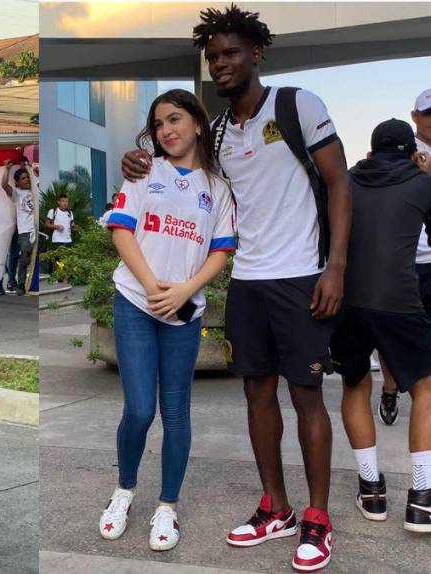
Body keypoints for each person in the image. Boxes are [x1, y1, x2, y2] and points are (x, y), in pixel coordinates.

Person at [121, 6, 351, 571]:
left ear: (256, 54)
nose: (220, 63)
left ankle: (317, 518)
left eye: (230, 53)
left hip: (301, 275)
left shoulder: (297, 105)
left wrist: (336, 267)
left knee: (306, 396)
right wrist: (138, 158)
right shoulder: (219, 131)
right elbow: (185, 167)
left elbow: (339, 181)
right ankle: (276, 507)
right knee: (256, 394)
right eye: (213, 56)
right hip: (247, 279)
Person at [98, 89, 235, 551]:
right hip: (136, 300)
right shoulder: (144, 170)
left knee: (176, 412)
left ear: (198, 122)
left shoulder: (218, 188)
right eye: (158, 124)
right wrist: (156, 288)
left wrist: (185, 290)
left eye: (175, 120)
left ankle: (167, 507)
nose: (166, 131)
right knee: (139, 409)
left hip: (185, 309)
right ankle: (124, 492)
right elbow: (122, 229)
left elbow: (221, 249)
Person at [333, 119, 431, 533]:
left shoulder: (346, 182)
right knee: (425, 389)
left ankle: (371, 491)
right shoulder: (422, 181)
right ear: (412, 152)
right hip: (400, 301)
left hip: (347, 300)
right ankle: (422, 499)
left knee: (355, 385)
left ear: (370, 153)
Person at [380, 89, 431, 425]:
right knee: (391, 333)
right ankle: (389, 383)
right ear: (415, 116)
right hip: (400, 261)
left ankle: (423, 403)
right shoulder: (399, 148)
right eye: (428, 113)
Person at [2, 160, 35, 295]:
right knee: (24, 257)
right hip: (25, 231)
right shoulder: (17, 194)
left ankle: (32, 283)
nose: (26, 180)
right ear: (18, 183)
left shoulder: (35, 191)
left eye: (27, 177)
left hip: (36, 229)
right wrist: (7, 169)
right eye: (23, 178)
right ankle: (20, 284)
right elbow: (4, 185)